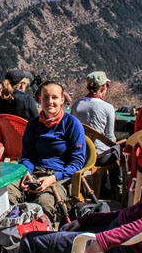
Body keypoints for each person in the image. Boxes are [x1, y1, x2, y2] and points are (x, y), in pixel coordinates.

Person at [19, 105, 142, 253]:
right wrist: (89, 221)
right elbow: (140, 211)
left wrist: (103, 240)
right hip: (130, 234)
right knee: (68, 227)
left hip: (133, 245)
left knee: (31, 241)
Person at [8, 81, 86, 222]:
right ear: (39, 99)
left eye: (54, 97)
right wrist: (26, 172)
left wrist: (53, 178)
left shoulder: (72, 124)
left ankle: (41, 236)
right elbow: (27, 156)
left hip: (60, 177)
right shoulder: (33, 124)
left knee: (45, 202)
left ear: (62, 100)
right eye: (46, 97)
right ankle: (14, 230)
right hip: (34, 172)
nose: (50, 102)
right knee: (7, 191)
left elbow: (77, 162)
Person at [71, 71, 120, 198]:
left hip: (82, 152)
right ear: (104, 87)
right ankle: (115, 188)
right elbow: (110, 137)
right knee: (116, 150)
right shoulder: (108, 107)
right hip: (100, 156)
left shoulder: (76, 105)